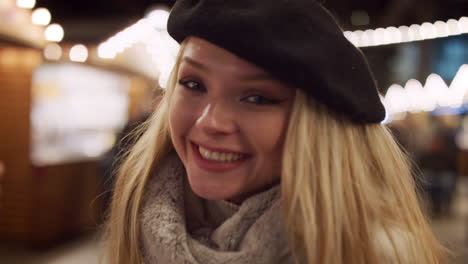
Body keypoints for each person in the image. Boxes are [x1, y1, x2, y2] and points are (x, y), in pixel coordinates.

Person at [104, 0, 449, 263]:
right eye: (193, 83)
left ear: (316, 128)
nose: (211, 121)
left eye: (256, 97)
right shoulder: (137, 223)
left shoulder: (373, 253)